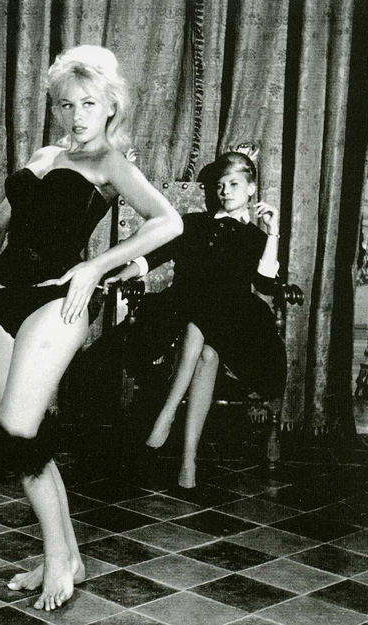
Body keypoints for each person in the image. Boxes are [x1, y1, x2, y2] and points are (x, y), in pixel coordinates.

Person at [0, 45, 182, 612]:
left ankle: (58, 559)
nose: (77, 115)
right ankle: (67, 556)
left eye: (89, 103)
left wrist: (95, 266)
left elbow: (168, 222)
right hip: (3, 298)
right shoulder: (45, 154)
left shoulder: (111, 163)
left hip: (55, 303)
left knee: (16, 434)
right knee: (29, 437)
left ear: (110, 106)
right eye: (67, 104)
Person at [104, 150, 286, 489]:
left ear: (251, 189)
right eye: (220, 185)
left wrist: (273, 232)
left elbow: (265, 285)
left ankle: (167, 414)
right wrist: (122, 274)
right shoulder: (193, 224)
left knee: (206, 325)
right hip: (182, 308)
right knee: (207, 353)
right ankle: (188, 462)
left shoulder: (257, 237)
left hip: (233, 319)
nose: (225, 191)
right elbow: (155, 255)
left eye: (234, 184)